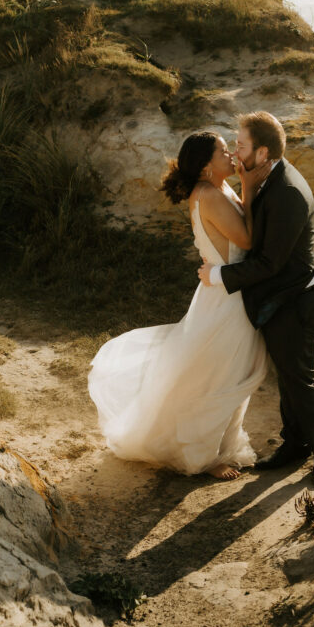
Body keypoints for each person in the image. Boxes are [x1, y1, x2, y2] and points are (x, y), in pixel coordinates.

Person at [87, 131, 270, 480]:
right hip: (225, 299)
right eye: (222, 151)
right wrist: (249, 187)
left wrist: (244, 187)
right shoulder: (208, 194)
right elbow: (247, 239)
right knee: (219, 375)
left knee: (228, 371)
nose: (230, 154)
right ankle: (203, 456)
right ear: (205, 166)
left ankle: (220, 446)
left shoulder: (217, 188)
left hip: (228, 290)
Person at [198, 111, 314, 486]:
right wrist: (246, 185)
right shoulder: (264, 178)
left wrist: (219, 275)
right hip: (281, 298)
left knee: (302, 378)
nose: (236, 153)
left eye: (240, 146)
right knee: (288, 377)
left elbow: (269, 262)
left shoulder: (287, 192)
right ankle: (294, 445)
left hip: (300, 298)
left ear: (263, 152)